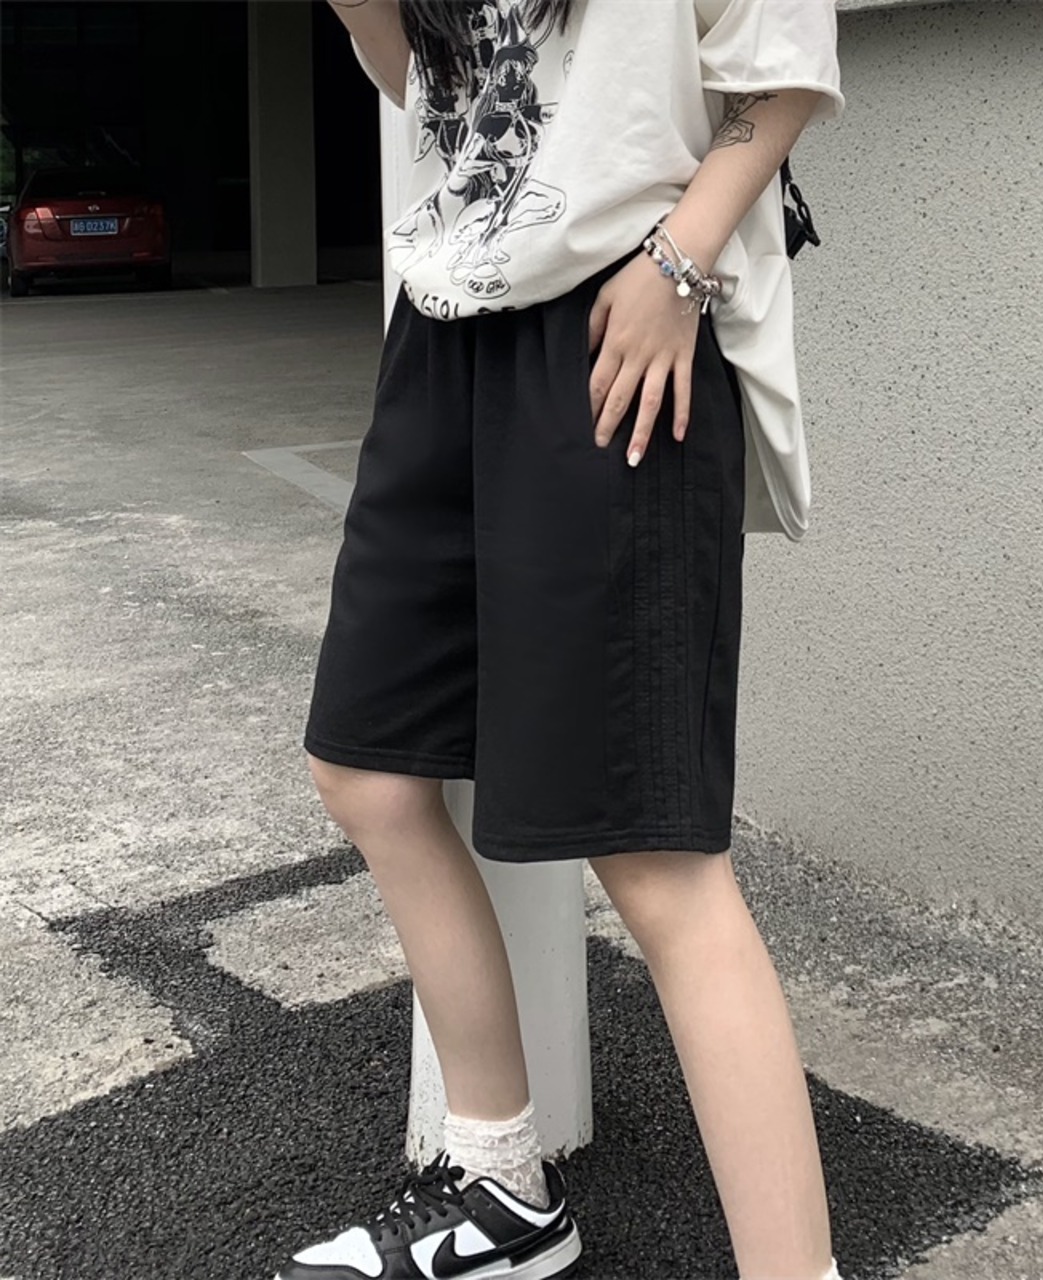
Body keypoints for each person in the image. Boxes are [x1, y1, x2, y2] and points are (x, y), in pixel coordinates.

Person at [274, 2, 845, 1277]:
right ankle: (501, 1188)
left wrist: (678, 266)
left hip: (621, 311)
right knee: (366, 765)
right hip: (444, 315)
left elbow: (781, 66)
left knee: (650, 848)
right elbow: (431, 87)